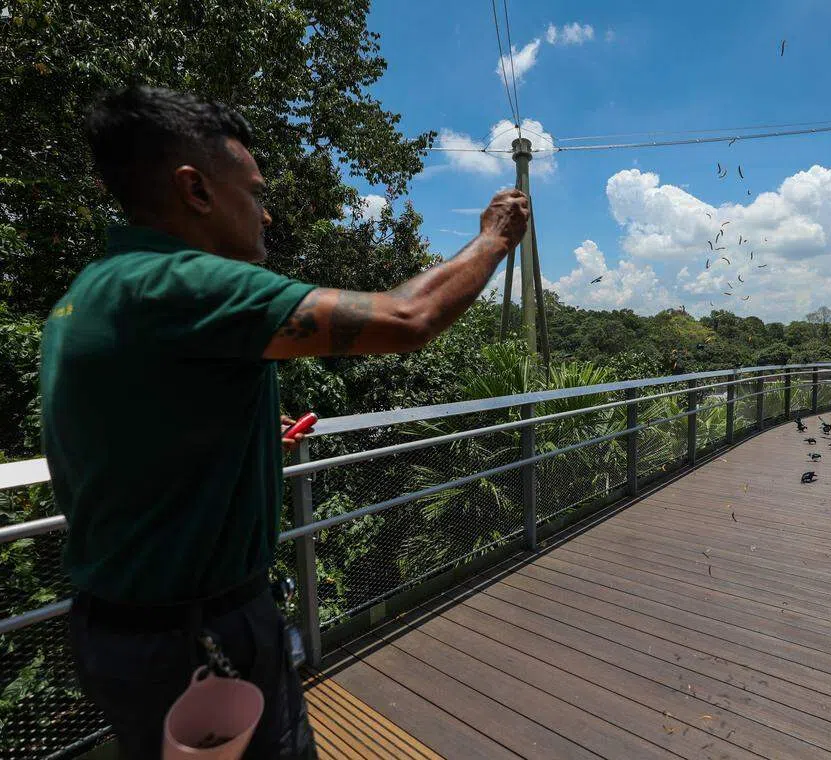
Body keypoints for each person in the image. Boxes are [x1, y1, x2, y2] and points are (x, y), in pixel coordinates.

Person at [39, 85, 530, 759]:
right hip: (196, 638)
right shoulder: (180, 284)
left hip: (121, 629)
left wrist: (247, 439)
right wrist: (492, 240)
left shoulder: (90, 294)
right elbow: (407, 319)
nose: (265, 212)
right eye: (253, 190)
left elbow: (132, 437)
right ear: (196, 190)